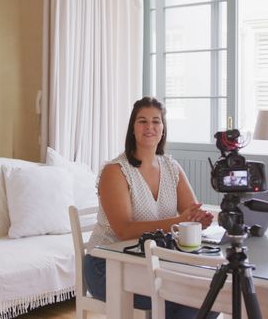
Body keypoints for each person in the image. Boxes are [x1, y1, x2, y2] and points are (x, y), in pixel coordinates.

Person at [84, 97, 218, 319]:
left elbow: (190, 213)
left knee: (212, 295)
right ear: (133, 129)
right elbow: (124, 231)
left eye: (156, 121)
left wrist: (199, 219)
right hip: (107, 266)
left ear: (163, 129)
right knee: (185, 301)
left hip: (154, 262)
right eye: (142, 121)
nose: (150, 127)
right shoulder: (115, 171)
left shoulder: (171, 166)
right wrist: (178, 221)